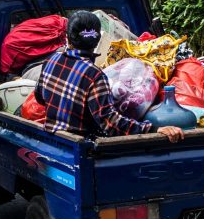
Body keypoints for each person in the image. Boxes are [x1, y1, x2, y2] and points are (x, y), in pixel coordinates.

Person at [35, 10, 184, 143]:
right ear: (98, 38)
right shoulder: (94, 75)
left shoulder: (51, 60)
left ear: (67, 37)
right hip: (81, 147)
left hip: (52, 140)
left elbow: (40, 97)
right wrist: (153, 129)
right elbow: (110, 123)